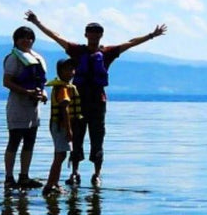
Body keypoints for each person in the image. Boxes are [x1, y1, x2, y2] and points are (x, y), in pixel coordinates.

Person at [23, 11, 166, 185]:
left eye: (97, 33)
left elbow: (130, 43)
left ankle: (96, 174)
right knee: (76, 137)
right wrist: (37, 22)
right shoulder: (77, 51)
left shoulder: (107, 53)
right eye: (91, 33)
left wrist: (151, 35)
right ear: (86, 35)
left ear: (101, 35)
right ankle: (74, 172)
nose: (94, 36)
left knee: (97, 137)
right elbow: (56, 36)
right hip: (78, 101)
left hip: (98, 102)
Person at [2, 25, 48, 189]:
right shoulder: (13, 58)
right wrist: (26, 91)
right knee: (14, 140)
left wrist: (43, 94)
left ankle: (24, 176)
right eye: (22, 37)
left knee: (30, 141)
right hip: (18, 105)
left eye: (29, 38)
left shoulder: (37, 58)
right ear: (15, 40)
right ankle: (9, 177)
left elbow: (41, 82)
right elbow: (7, 81)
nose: (26, 40)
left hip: (33, 108)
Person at [42, 58, 81, 195]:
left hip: (58, 125)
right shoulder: (63, 88)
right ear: (60, 72)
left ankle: (55, 183)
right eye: (68, 70)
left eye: (73, 69)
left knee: (60, 155)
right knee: (60, 156)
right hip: (60, 126)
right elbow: (64, 109)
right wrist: (69, 130)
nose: (71, 72)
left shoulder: (64, 86)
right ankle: (49, 185)